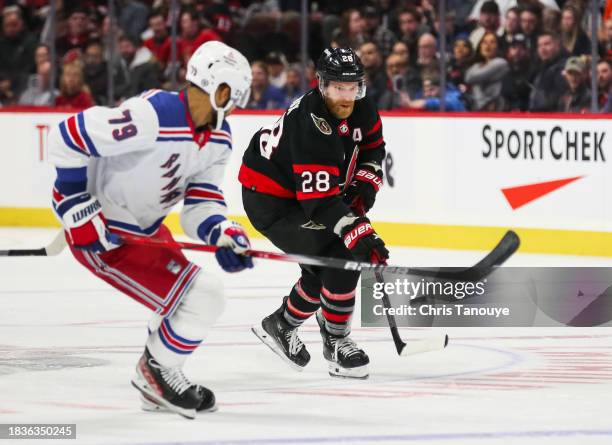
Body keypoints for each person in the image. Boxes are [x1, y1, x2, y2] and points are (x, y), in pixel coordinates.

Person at [47, 41, 254, 419]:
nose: (236, 106)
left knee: (188, 299)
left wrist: (223, 231)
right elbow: (67, 135)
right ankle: (157, 373)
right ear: (221, 88)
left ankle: (158, 376)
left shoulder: (219, 138)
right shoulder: (153, 114)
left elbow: (199, 205)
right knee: (203, 296)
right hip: (106, 231)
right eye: (234, 96)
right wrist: (77, 207)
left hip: (141, 229)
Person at [240, 47, 389, 379]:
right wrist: (357, 232)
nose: (347, 96)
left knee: (325, 266)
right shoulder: (311, 123)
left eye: (353, 87)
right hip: (272, 200)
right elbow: (319, 204)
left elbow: (373, 148)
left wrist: (364, 184)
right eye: (339, 87)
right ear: (321, 84)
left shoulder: (362, 109)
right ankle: (336, 341)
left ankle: (281, 325)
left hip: (302, 194)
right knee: (342, 252)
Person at [465, 32, 509, 111]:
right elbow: (467, 77)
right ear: (480, 46)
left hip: (495, 109)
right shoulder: (476, 65)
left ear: (498, 46)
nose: (488, 46)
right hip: (476, 109)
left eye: (492, 42)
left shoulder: (501, 63)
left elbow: (470, 77)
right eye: (484, 42)